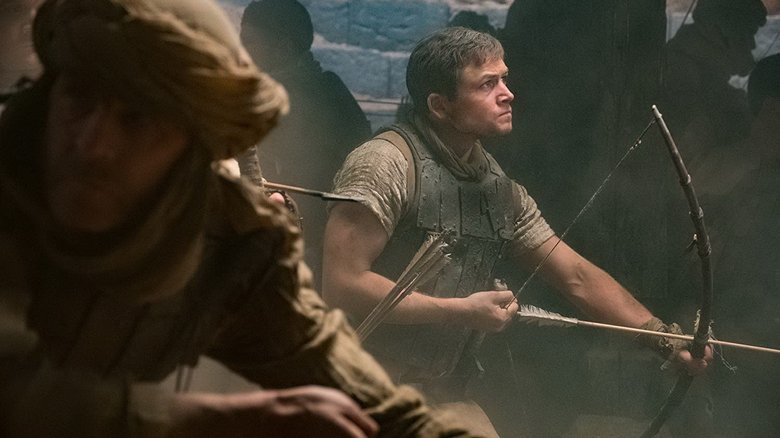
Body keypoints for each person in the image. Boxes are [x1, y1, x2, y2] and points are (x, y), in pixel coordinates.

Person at [0, 1, 480, 436]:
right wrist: (210, 419)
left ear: (192, 151)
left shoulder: (230, 245)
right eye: (79, 98)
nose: (92, 146)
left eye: (137, 120)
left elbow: (364, 397)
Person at [322, 26, 712, 437]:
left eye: (504, 79)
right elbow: (343, 284)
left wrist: (663, 339)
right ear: (439, 105)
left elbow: (576, 276)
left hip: (439, 395)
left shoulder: (496, 187)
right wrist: (461, 311)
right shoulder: (385, 163)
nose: (507, 94)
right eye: (486, 84)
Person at [238, 0, 372, 288]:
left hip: (309, 241)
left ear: (283, 47)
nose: (241, 50)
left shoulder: (297, 97)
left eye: (249, 41)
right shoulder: (327, 87)